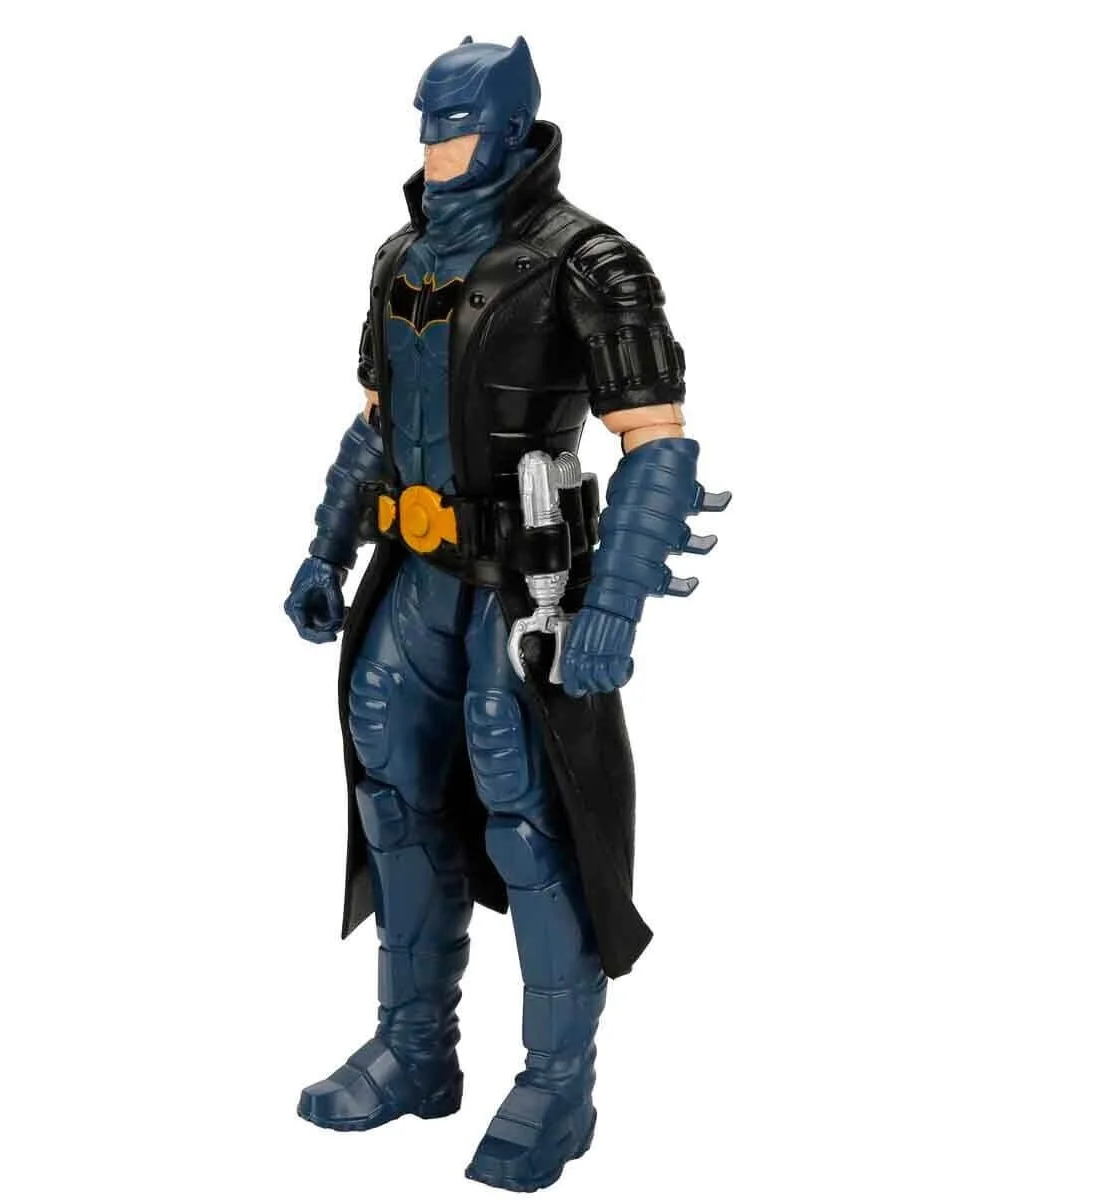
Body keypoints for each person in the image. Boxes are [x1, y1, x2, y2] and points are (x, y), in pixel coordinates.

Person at [284, 36, 727, 1192]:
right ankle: (415, 1049)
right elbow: (378, 426)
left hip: (522, 592)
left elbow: (657, 444)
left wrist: (612, 603)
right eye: (426, 127)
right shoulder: (399, 258)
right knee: (393, 795)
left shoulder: (591, 260)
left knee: (531, 823)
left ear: (512, 128)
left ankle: (558, 1086)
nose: (437, 149)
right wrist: (327, 549)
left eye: (459, 127)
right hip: (415, 577)